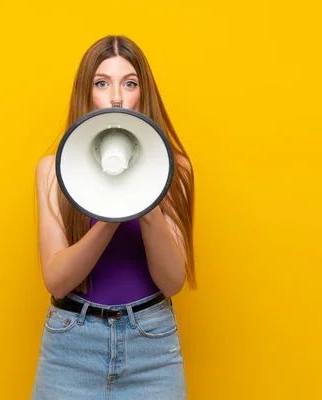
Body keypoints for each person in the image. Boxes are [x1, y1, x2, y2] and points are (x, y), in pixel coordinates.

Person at [31, 35, 196, 400]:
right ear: (86, 94)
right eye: (102, 83)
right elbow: (57, 281)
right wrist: (110, 210)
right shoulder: (52, 172)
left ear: (143, 93)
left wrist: (145, 199)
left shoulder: (176, 171)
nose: (117, 97)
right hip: (71, 347)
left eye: (130, 83)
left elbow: (172, 282)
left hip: (151, 347)